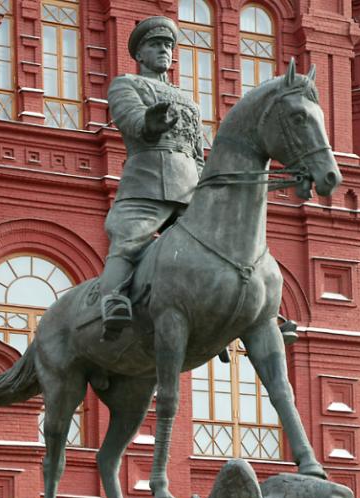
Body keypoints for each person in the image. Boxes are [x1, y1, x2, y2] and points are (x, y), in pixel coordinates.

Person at [100, 16, 204, 340]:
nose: (164, 50)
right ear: (140, 54)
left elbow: (198, 154)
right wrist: (151, 122)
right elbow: (130, 121)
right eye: (155, 44)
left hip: (189, 189)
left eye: (168, 46)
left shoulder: (190, 103)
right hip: (146, 183)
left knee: (216, 248)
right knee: (128, 243)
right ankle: (113, 301)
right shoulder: (126, 84)